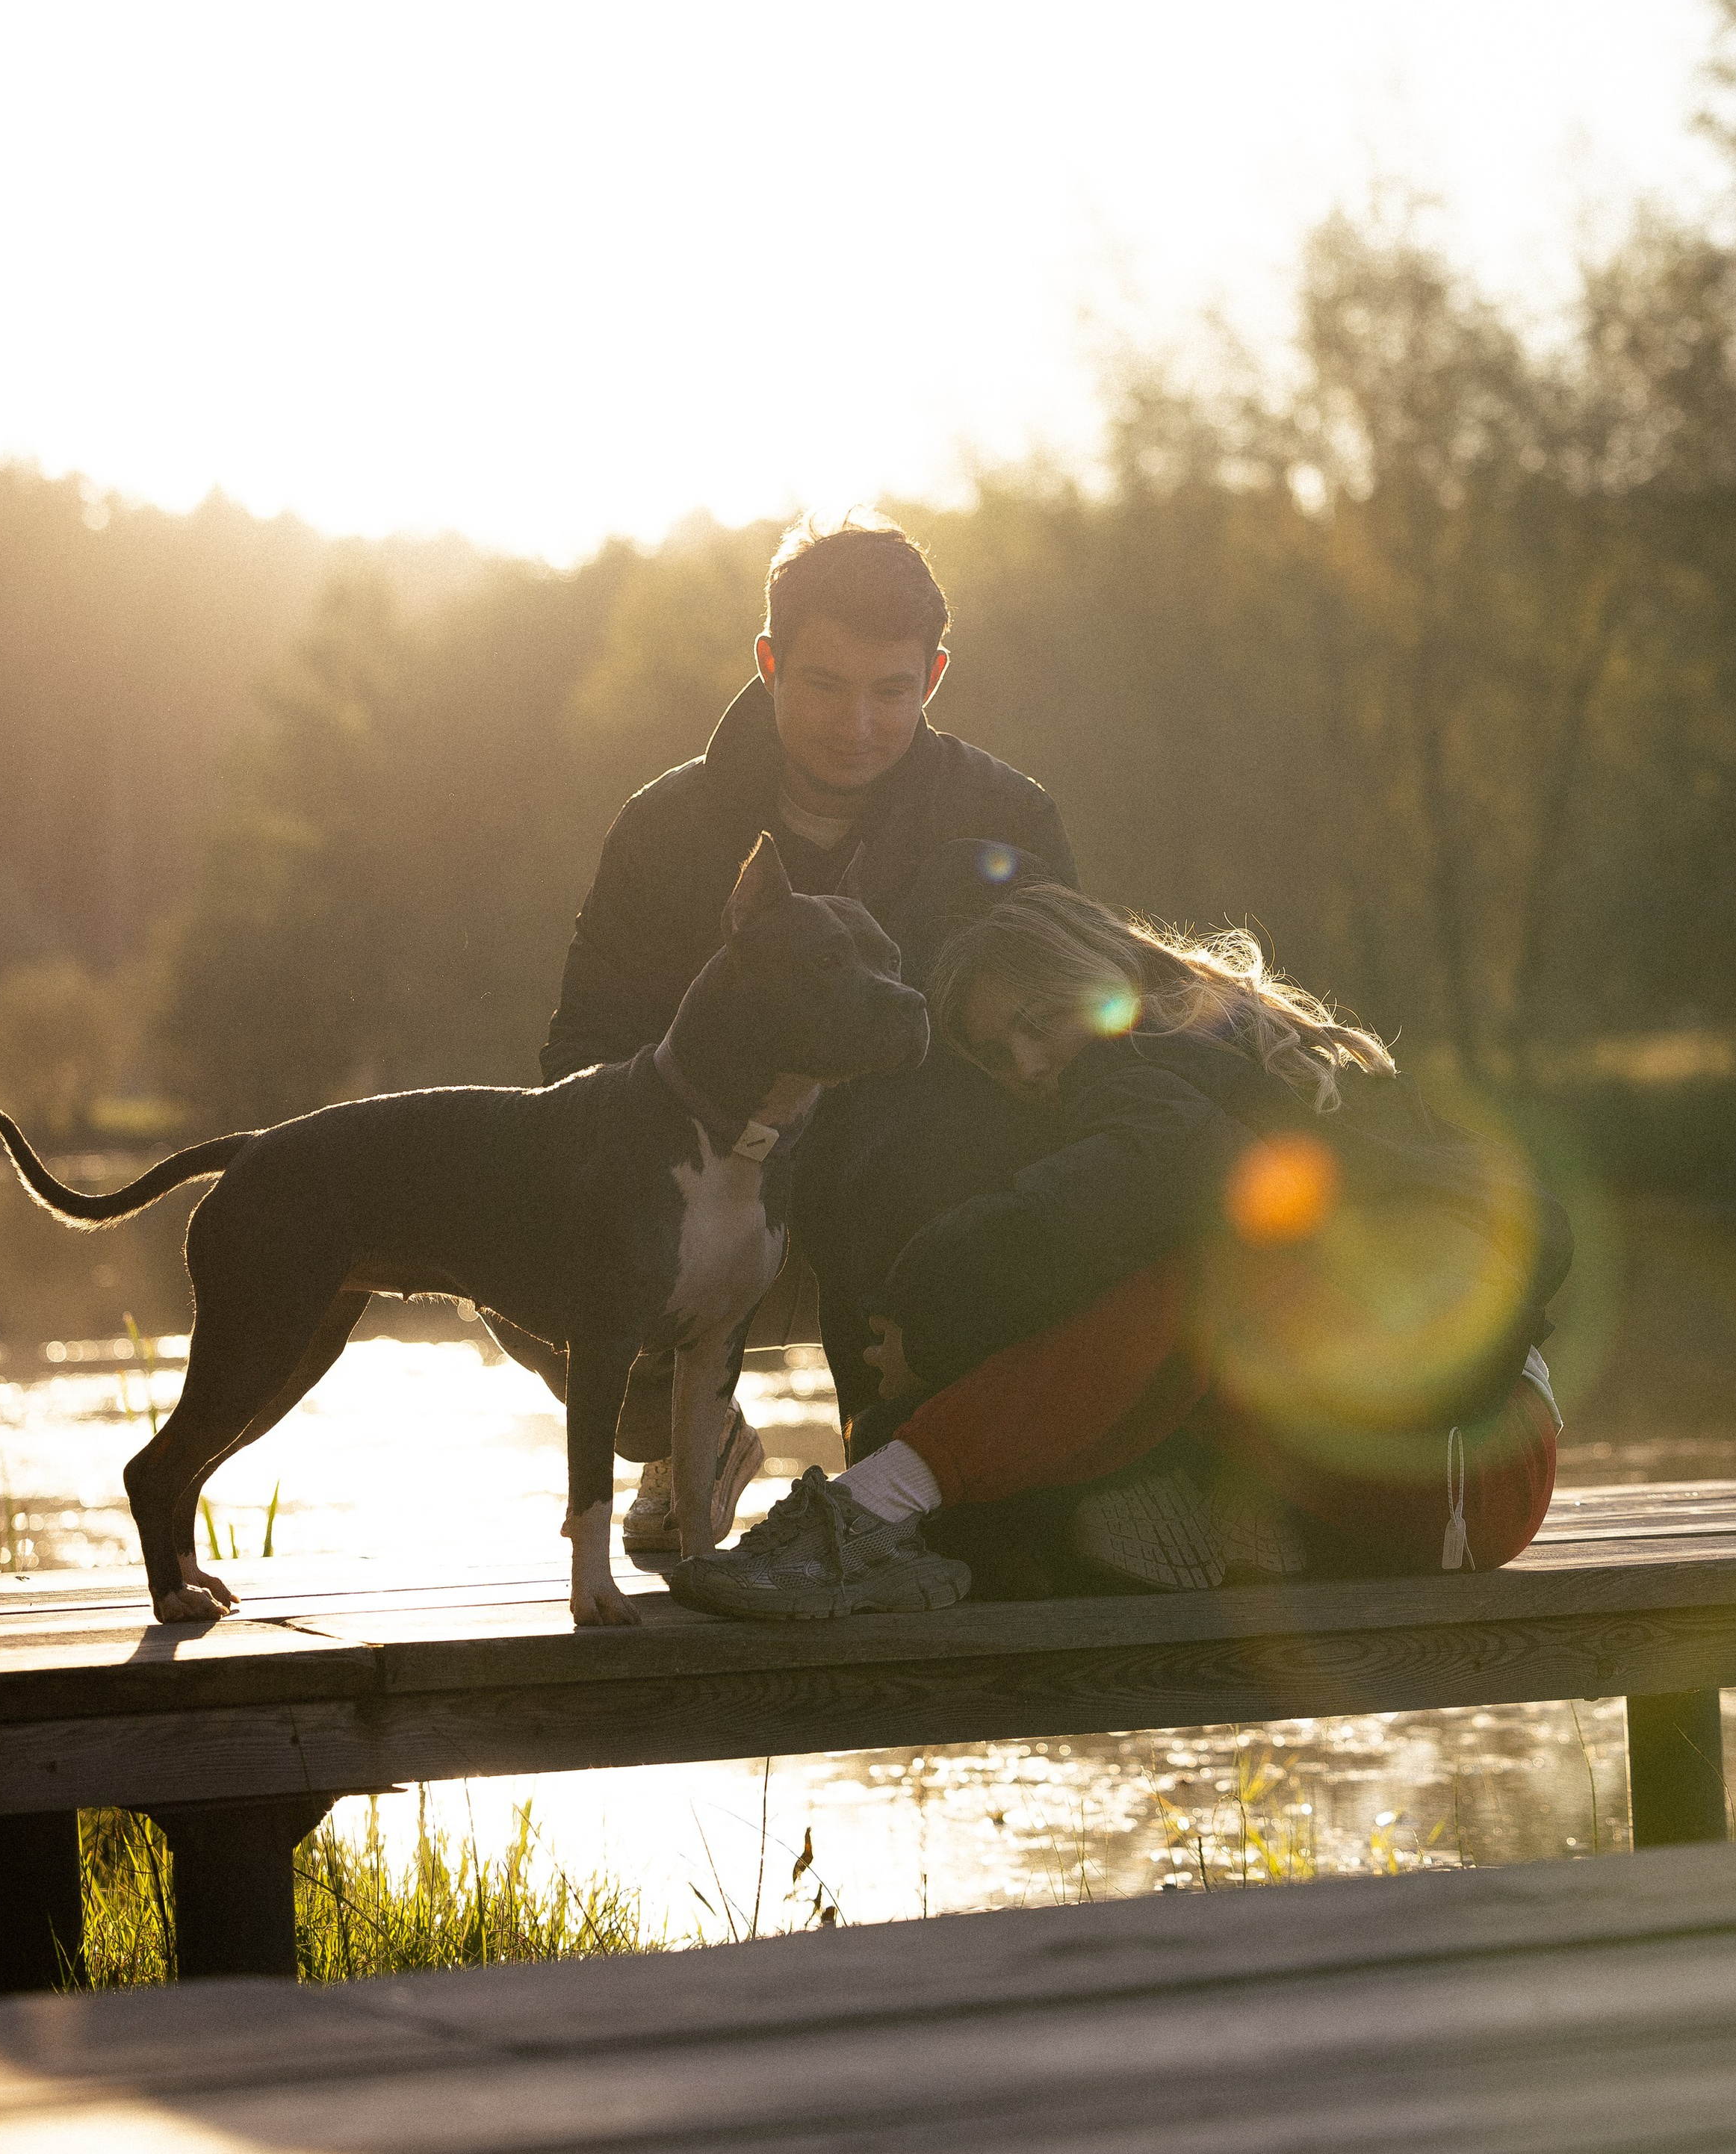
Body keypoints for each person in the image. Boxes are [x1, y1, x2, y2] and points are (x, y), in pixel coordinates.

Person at [669, 883, 1572, 1619]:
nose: (1024, 1061)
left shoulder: (1151, 1072)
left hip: (1463, 1465)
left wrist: (922, 1316)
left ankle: (872, 1507)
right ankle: (1205, 1527)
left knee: (1189, 1267)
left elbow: (1106, 1202)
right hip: (1418, 1468)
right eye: (994, 1050)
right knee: (1165, 1263)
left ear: (1104, 982)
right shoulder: (1217, 1067)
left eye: (1040, 1018)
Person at [533, 516, 1076, 1556]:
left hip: (911, 1187)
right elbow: (584, 1053)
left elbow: (1083, 1032)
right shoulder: (665, 827)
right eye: (824, 684)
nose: (858, 725)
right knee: (514, 1237)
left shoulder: (1011, 817)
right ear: (768, 662)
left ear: (936, 676)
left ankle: (901, 1490)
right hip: (708, 1190)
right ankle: (677, 1438)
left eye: (891, 690)